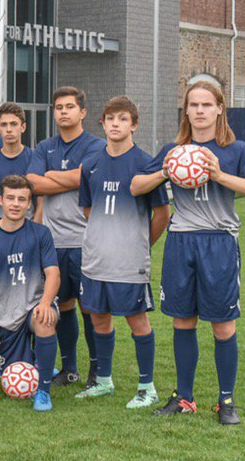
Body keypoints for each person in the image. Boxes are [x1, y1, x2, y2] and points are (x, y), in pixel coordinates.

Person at [131, 81, 245, 425]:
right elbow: (136, 185)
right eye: (193, 105)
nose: (199, 111)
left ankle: (226, 401)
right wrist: (166, 171)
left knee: (223, 325)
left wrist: (218, 174)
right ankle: (185, 397)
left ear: (220, 108)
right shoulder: (173, 149)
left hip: (219, 241)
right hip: (181, 241)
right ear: (186, 111)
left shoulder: (235, 149)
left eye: (206, 105)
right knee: (183, 321)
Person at [75, 96, 171, 408]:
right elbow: (89, 209)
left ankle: (147, 387)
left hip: (130, 261)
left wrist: (140, 242)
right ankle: (104, 380)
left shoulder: (146, 164)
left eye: (123, 119)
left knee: (137, 320)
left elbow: (162, 215)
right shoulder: (90, 165)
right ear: (101, 123)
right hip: (95, 259)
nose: (116, 124)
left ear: (134, 124)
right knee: (99, 318)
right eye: (110, 118)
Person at [26, 86, 106, 388]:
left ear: (83, 112)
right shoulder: (45, 145)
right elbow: (32, 182)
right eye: (58, 107)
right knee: (64, 304)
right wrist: (72, 178)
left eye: (69, 107)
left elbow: (84, 177)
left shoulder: (95, 145)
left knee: (90, 307)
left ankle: (97, 370)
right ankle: (69, 368)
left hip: (85, 239)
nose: (63, 112)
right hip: (52, 240)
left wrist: (54, 178)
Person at [0, 175, 60, 411]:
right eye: (10, 198)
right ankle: (39, 358)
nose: (16, 204)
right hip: (6, 314)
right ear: (1, 200)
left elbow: (53, 274)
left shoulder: (40, 234)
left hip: (33, 305)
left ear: (29, 204)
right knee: (12, 373)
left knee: (44, 319)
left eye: (22, 199)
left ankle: (43, 391)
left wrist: (46, 303)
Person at [0, 102, 37, 221]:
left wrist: (34, 231)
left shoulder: (35, 159)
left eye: (13, 124)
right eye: (4, 125)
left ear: (23, 127)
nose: (9, 130)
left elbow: (41, 202)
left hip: (28, 230)